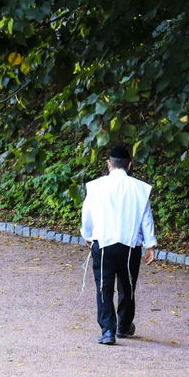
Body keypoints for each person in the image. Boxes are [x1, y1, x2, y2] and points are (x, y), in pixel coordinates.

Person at [80, 145, 157, 345]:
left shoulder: (95, 186)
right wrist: (150, 245)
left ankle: (107, 330)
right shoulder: (140, 188)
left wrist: (87, 235)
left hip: (103, 242)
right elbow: (146, 219)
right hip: (130, 245)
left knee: (104, 287)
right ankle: (123, 325)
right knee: (128, 285)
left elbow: (86, 214)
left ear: (109, 165)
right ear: (129, 165)